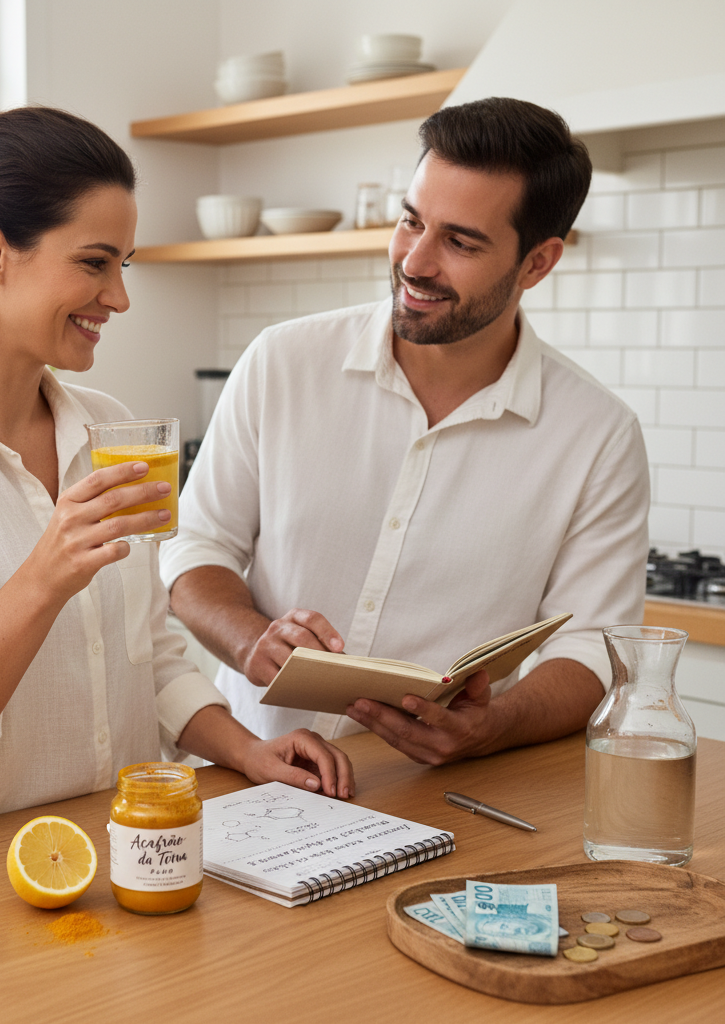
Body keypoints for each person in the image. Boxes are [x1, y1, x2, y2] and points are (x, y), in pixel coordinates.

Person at [0, 101, 352, 852]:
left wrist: (244, 748)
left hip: (112, 862)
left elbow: (146, 655)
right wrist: (43, 577)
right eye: (94, 263)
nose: (119, 297)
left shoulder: (106, 429)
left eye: (123, 267)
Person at [160, 97, 649, 766]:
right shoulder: (284, 361)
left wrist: (494, 724)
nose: (415, 261)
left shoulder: (598, 434)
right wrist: (249, 639)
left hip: (446, 797)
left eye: (460, 241)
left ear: (537, 263)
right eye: (411, 221)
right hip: (256, 774)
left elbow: (591, 644)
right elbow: (194, 547)